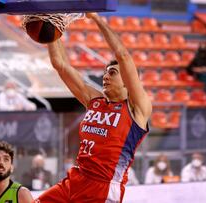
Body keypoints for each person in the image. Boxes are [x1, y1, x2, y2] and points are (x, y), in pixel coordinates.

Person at [35, 12, 152, 202]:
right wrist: (51, 25)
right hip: (75, 179)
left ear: (127, 81)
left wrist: (96, 19)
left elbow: (122, 55)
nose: (105, 76)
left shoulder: (137, 107)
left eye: (112, 73)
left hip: (103, 187)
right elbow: (60, 64)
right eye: (105, 72)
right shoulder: (95, 101)